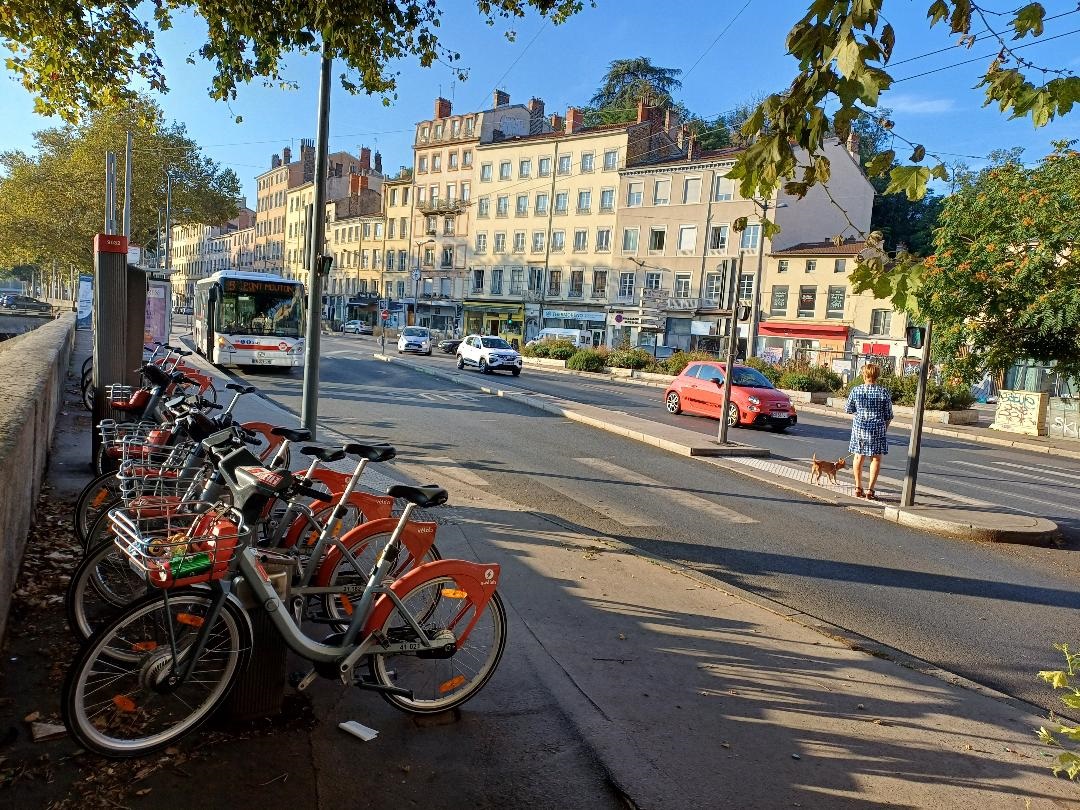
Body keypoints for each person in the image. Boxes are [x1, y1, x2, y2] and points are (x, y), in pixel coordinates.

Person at [845, 364, 893, 500]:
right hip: (878, 427)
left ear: (863, 375)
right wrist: (884, 428)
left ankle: (858, 487)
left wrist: (861, 413)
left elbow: (848, 409)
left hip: (860, 427)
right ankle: (870, 489)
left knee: (858, 457)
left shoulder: (856, 391)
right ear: (877, 376)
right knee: (876, 459)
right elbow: (889, 414)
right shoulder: (883, 392)